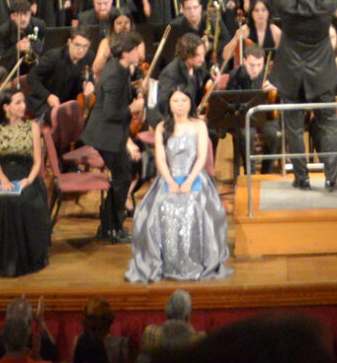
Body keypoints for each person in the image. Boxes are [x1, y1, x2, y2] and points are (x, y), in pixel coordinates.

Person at [124, 85, 231, 283]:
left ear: (190, 103)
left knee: (193, 206)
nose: (180, 105)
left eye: (184, 101)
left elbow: (201, 157)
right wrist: (171, 181)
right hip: (169, 177)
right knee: (162, 208)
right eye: (176, 101)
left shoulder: (199, 125)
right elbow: (161, 159)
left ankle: (195, 262)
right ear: (169, 104)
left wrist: (189, 181)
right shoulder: (162, 127)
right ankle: (168, 263)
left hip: (194, 176)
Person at [263, 0, 337, 190]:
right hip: (321, 73)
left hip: (291, 73)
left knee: (294, 127)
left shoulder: (285, 4)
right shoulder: (326, 3)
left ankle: (301, 178)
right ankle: (331, 177)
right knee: (328, 124)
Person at [0, 84, 53, 277]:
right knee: (2, 201)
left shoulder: (32, 126)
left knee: (23, 200)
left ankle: (24, 258)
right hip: (4, 173)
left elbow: (38, 161)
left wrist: (29, 180)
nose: (23, 106)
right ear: (6, 107)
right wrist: (3, 180)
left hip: (27, 173)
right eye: (18, 102)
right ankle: (4, 259)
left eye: (23, 102)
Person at [88, 29, 144, 244]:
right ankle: (112, 227)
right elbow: (111, 113)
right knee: (123, 177)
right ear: (126, 53)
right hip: (105, 135)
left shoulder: (120, 70)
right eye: (136, 50)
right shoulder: (114, 75)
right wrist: (133, 108)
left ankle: (109, 225)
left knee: (128, 172)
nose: (140, 53)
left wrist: (135, 91)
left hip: (112, 132)